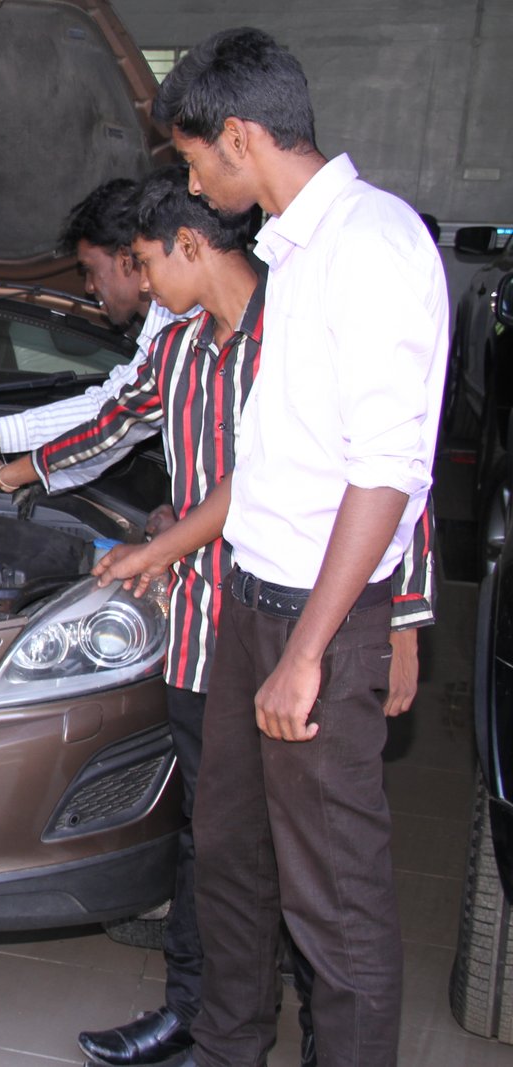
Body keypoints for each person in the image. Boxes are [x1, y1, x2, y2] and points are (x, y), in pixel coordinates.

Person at [0, 167, 433, 1067]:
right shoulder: (183, 346)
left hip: (306, 621)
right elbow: (113, 420)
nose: (139, 286)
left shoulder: (300, 320)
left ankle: (326, 1036)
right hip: (206, 629)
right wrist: (6, 454)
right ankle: (206, 1021)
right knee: (220, 845)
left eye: (145, 264)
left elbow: (395, 471)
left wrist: (406, 616)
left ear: (193, 244)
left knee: (317, 870)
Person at [97, 27, 448, 1067]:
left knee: (334, 898)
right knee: (233, 860)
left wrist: (310, 650)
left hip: (315, 621)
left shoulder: (374, 246)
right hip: (252, 602)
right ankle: (226, 1045)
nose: (193, 181)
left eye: (195, 157)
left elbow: (385, 470)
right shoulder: (294, 254)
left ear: (241, 136)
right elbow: (282, 457)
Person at [0, 178, 185, 493]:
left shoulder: (182, 323)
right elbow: (110, 406)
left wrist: (8, 473)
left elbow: (113, 421)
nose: (89, 288)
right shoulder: (168, 321)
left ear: (125, 259)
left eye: (90, 269)